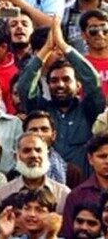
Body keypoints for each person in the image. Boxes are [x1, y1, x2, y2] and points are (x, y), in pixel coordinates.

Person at [17, 17, 105, 174]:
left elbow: (92, 80)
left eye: (66, 79)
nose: (60, 85)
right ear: (48, 84)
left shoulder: (89, 110)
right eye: (54, 81)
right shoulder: (41, 110)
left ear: (78, 85)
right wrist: (46, 49)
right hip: (46, 183)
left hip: (83, 185)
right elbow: (25, 87)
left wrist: (64, 46)